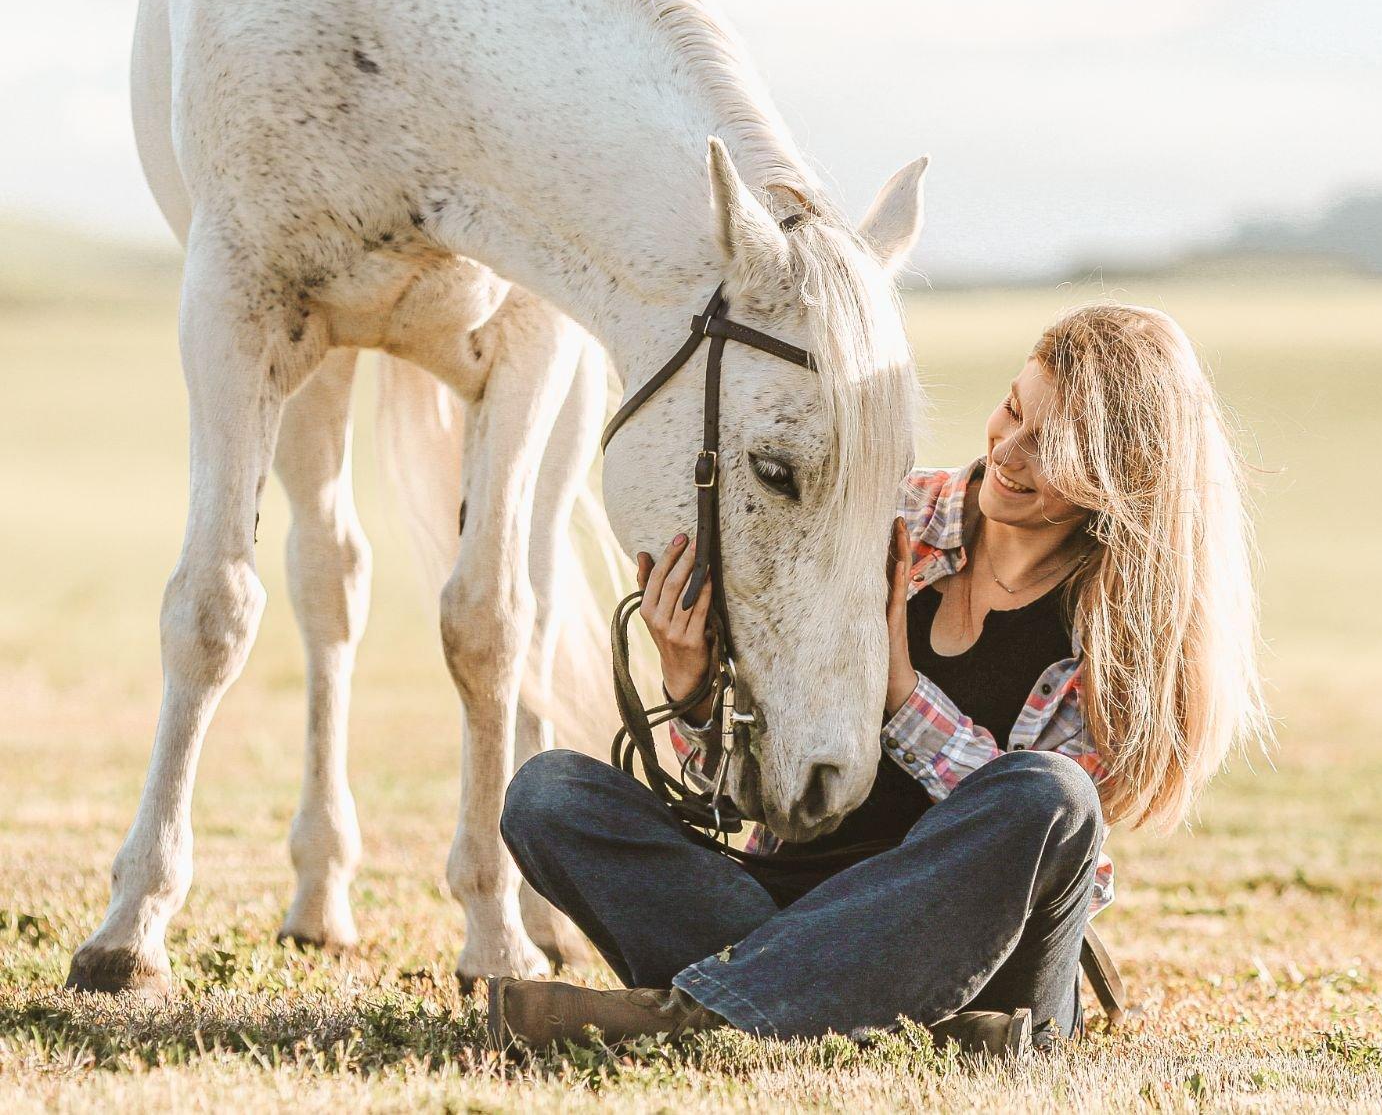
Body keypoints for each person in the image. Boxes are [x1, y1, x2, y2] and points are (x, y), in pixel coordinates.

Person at [488, 302, 1265, 1056]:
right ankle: (861, 1018)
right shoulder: (877, 517)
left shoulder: (1122, 632)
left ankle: (698, 1014)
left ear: (1117, 473)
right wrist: (690, 687)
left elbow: (1062, 863)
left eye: (1050, 443)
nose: (1008, 450)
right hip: (786, 901)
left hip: (991, 966)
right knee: (548, 794)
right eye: (1012, 408)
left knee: (1052, 796)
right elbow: (743, 790)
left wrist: (902, 697)